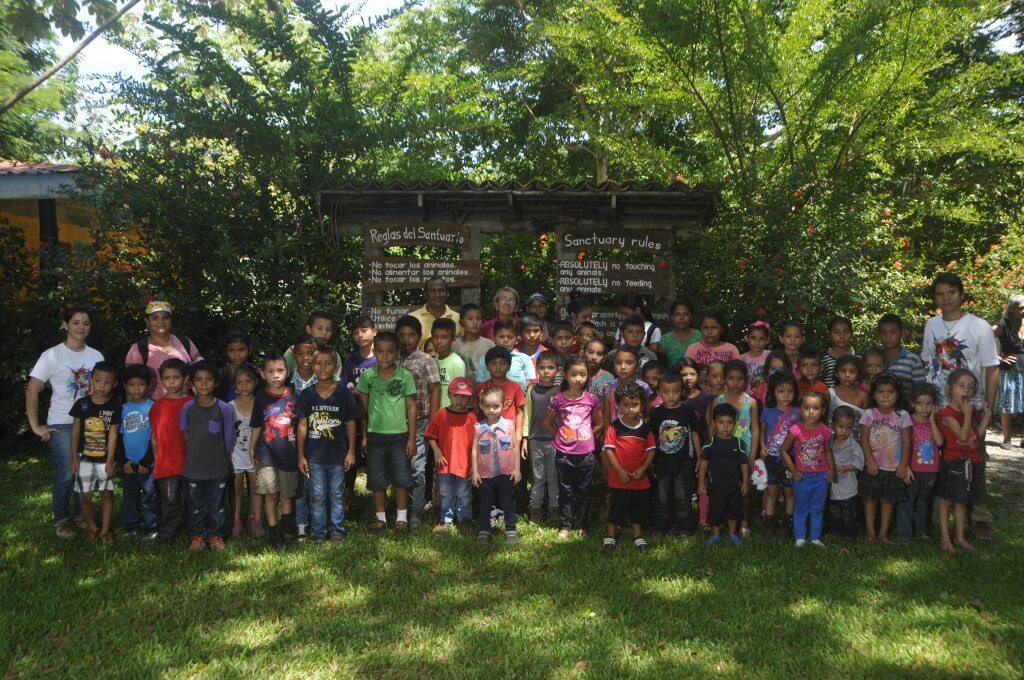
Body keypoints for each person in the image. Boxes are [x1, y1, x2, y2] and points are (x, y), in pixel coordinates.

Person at [921, 272, 999, 541]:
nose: (946, 298)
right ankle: (936, 515)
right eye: (940, 294)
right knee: (939, 460)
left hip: (971, 409)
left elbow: (991, 367)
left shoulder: (979, 326)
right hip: (940, 409)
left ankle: (979, 519)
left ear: (961, 294)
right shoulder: (931, 325)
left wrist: (988, 402)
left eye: (951, 292)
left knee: (974, 460)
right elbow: (928, 363)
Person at [26, 305, 103, 539]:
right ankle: (61, 520)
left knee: (86, 472)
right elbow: (32, 389)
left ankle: (82, 516)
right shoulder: (52, 355)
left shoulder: (96, 356)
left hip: (91, 424)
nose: (81, 327)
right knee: (68, 473)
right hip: (61, 423)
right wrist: (35, 425)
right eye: (76, 322)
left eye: (86, 323)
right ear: (65, 324)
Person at [356, 332, 417, 535]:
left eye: (390, 352)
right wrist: (364, 436)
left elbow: (411, 408)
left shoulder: (405, 376)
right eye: (380, 352)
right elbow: (363, 409)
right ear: (374, 352)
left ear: (397, 353)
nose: (385, 356)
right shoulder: (367, 376)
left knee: (401, 478)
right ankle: (380, 518)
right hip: (375, 436)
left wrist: (411, 438)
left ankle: (401, 518)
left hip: (399, 436)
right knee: (376, 478)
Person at [297, 346, 358, 546]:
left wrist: (350, 451)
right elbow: (303, 425)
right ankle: (318, 532)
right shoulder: (306, 395)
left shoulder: (343, 394)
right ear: (312, 365)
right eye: (318, 363)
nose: (323, 367)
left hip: (338, 456)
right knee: (317, 495)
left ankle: (337, 530)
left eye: (328, 363)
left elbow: (351, 423)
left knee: (337, 494)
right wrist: (300, 456)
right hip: (314, 457)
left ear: (336, 366)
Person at [545, 355, 604, 539]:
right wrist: (559, 438)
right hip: (564, 454)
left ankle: (582, 526)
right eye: (574, 374)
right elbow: (547, 423)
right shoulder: (558, 399)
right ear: (565, 375)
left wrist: (586, 437)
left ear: (587, 376)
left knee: (584, 491)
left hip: (586, 454)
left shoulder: (591, 399)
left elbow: (600, 423)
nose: (578, 379)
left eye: (582, 374)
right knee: (565, 490)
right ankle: (565, 525)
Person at [180, 361, 234, 551]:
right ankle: (198, 535)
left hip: (217, 467)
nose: (204, 384)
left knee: (218, 503)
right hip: (193, 467)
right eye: (199, 380)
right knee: (196, 503)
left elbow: (227, 438)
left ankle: (216, 535)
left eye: (208, 380)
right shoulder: (188, 408)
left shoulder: (224, 408)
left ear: (216, 382)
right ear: (192, 383)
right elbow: (186, 433)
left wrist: (224, 460)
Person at [395, 315, 442, 529]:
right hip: (395, 423)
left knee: (417, 468)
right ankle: (400, 509)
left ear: (419, 337)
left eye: (411, 335)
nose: (407, 340)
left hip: (421, 421)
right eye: (402, 335)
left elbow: (435, 389)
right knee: (398, 468)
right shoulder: (391, 358)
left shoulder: (425, 360)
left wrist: (432, 420)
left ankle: (416, 511)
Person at [937, 369, 991, 552]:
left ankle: (959, 537)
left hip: (969, 460)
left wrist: (987, 418)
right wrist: (968, 415)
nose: (966, 391)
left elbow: (974, 437)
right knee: (947, 501)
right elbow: (962, 435)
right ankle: (945, 538)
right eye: (961, 386)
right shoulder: (947, 414)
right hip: (954, 461)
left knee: (962, 501)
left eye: (971, 387)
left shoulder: (971, 412)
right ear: (950, 388)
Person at [250, 352, 300, 548]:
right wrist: (252, 448)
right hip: (266, 454)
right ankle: (273, 532)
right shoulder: (261, 396)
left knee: (287, 495)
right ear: (263, 375)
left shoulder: (296, 396)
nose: (276, 375)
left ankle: (287, 532)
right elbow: (256, 425)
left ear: (287, 372)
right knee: (271, 495)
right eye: (271, 371)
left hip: (290, 455)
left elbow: (302, 427)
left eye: (280, 370)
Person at [601, 382, 656, 554]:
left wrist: (644, 469)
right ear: (618, 405)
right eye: (626, 405)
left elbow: (651, 450)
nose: (631, 409)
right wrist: (619, 471)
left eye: (635, 404)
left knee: (638, 509)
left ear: (641, 405)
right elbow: (609, 450)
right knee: (617, 508)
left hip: (639, 480)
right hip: (619, 479)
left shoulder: (645, 428)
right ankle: (610, 536)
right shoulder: (614, 427)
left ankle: (637, 535)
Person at [859, 374, 912, 545]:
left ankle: (883, 534)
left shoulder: (903, 415)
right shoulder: (869, 414)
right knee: (870, 499)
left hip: (893, 467)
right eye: (881, 392)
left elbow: (906, 440)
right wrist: (870, 461)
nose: (886, 396)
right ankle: (870, 533)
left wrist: (903, 464)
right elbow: (864, 439)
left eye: (890, 392)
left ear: (898, 395)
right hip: (873, 466)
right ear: (874, 395)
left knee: (888, 501)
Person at [69, 361, 119, 543]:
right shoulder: (81, 404)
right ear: (91, 380)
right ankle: (92, 527)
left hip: (104, 459)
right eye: (98, 380)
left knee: (106, 494)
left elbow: (113, 435)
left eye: (107, 381)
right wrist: (74, 457)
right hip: (84, 459)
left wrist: (110, 461)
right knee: (86, 496)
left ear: (114, 384)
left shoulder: (114, 406)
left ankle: (105, 530)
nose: (102, 385)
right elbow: (75, 432)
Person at [649, 372, 700, 539]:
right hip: (663, 461)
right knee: (662, 497)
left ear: (682, 392)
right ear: (659, 392)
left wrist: (700, 457)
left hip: (684, 461)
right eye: (666, 392)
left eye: (675, 392)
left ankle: (684, 529)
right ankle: (660, 527)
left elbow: (695, 435)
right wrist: (650, 460)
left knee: (683, 496)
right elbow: (652, 438)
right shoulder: (656, 413)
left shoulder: (687, 411)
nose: (671, 396)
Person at [109, 364, 157, 540]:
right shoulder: (122, 409)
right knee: (130, 497)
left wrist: (146, 461)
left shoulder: (154, 407)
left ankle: (151, 527)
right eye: (131, 384)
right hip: (128, 464)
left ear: (149, 385)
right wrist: (123, 461)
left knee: (149, 496)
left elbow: (156, 437)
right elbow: (119, 438)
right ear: (125, 386)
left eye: (141, 384)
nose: (136, 389)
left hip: (148, 464)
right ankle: (131, 526)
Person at [780, 392, 833, 547]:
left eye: (815, 408)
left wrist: (831, 469)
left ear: (822, 411)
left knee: (817, 508)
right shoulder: (795, 430)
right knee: (801, 508)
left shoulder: (825, 430)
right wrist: (794, 470)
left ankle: (815, 538)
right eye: (807, 408)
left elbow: (828, 451)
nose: (811, 412)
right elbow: (784, 451)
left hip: (821, 477)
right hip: (802, 477)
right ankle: (800, 538)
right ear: (800, 410)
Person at [425, 377, 477, 532]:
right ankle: (445, 519)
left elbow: (476, 443)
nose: (460, 400)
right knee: (446, 493)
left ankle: (465, 519)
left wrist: (474, 466)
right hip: (444, 464)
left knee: (464, 493)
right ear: (449, 395)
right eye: (456, 396)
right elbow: (430, 435)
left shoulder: (472, 417)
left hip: (465, 464)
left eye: (464, 397)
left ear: (469, 398)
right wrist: (437, 452)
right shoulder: (441, 414)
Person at [150, 358, 193, 542]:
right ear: (161, 380)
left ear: (185, 379)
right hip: (167, 464)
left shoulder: (192, 403)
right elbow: (155, 438)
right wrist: (157, 461)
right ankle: (168, 534)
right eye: (167, 378)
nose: (172, 382)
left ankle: (196, 531)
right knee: (169, 502)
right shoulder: (157, 406)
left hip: (191, 462)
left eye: (176, 377)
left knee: (193, 500)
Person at [472, 386, 521, 544]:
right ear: (481, 406)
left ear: (503, 405)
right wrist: (475, 472)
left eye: (496, 406)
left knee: (507, 501)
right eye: (487, 406)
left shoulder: (509, 426)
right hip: (485, 473)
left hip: (506, 472)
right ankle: (484, 529)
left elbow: (515, 447)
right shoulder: (478, 428)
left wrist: (517, 469)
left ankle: (511, 529)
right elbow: (474, 450)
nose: (491, 410)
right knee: (485, 502)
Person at [124, 300, 202, 399]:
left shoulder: (185, 342)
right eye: (155, 318)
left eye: (165, 317)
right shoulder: (138, 349)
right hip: (153, 408)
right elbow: (130, 383)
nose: (161, 322)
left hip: (185, 407)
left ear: (171, 321)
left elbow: (201, 371)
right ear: (147, 321)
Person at [897, 382, 944, 545]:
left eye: (928, 404)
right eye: (920, 403)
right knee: (907, 502)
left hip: (931, 470)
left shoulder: (935, 421)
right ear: (912, 403)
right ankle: (904, 534)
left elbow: (939, 442)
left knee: (923, 502)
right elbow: (902, 446)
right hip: (912, 470)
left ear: (934, 405)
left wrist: (932, 420)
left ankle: (922, 531)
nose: (924, 407)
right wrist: (906, 467)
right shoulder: (907, 420)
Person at [698, 403, 749, 546]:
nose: (725, 427)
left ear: (734, 423)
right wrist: (701, 482)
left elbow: (744, 463)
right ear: (714, 423)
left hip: (733, 486)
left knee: (733, 511)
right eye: (721, 423)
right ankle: (716, 534)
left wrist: (745, 482)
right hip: (716, 486)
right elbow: (704, 463)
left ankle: (733, 533)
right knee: (716, 511)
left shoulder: (738, 443)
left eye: (729, 423)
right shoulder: (711, 442)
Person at [341, 315, 376, 511]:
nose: (360, 335)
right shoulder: (351, 360)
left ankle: (379, 503)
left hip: (377, 419)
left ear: (374, 331)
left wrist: (361, 391)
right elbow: (345, 387)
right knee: (350, 459)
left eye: (364, 330)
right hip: (352, 418)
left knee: (376, 460)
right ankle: (347, 496)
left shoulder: (382, 358)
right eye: (355, 333)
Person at [759, 372, 800, 538]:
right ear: (773, 392)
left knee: (790, 491)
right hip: (771, 458)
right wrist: (762, 446)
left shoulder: (798, 412)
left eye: (790, 391)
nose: (785, 395)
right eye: (781, 391)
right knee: (772, 490)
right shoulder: (767, 411)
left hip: (791, 459)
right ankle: (769, 520)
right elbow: (762, 430)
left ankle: (788, 520)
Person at [523, 351, 560, 524]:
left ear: (557, 370)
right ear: (537, 370)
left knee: (553, 477)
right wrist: (525, 438)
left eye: (551, 368)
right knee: (538, 478)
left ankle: (554, 509)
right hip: (535, 439)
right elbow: (527, 416)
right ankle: (536, 510)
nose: (546, 372)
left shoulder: (561, 391)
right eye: (542, 368)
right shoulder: (532, 390)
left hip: (554, 440)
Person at [229, 364, 262, 537]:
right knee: (236, 490)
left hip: (255, 455)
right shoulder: (229, 407)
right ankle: (235, 522)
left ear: (255, 382)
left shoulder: (260, 404)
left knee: (256, 489)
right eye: (240, 382)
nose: (244, 386)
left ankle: (255, 519)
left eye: (248, 381)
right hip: (235, 455)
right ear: (234, 385)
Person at [828, 406, 864, 544]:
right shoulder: (829, 442)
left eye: (848, 428)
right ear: (833, 425)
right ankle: (836, 531)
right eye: (840, 426)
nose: (844, 431)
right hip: (833, 488)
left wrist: (847, 467)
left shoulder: (853, 445)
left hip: (848, 489)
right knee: (834, 512)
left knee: (848, 514)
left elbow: (860, 463)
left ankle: (849, 535)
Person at [994, 294, 1024, 449]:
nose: (1023, 311)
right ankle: (1007, 439)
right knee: (1007, 404)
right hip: (1010, 369)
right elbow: (985, 337)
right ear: (1012, 309)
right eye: (1020, 308)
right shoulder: (1004, 324)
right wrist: (998, 357)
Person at [595, 347, 653, 426]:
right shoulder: (608, 386)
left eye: (629, 363)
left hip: (636, 432)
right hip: (614, 433)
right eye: (618, 363)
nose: (623, 367)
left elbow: (647, 413)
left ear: (637, 366)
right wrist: (607, 433)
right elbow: (606, 414)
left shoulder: (643, 387)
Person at [476, 318, 536, 393]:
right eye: (501, 336)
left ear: (517, 339)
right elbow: (480, 385)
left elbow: (529, 384)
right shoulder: (484, 359)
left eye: (510, 337)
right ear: (493, 338)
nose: (505, 340)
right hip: (491, 403)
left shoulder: (524, 359)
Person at [684, 310, 739, 389]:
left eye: (714, 328)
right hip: (699, 397)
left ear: (722, 329)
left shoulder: (731, 349)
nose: (709, 332)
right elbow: (686, 375)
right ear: (700, 330)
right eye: (705, 328)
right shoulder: (693, 349)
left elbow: (737, 375)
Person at [284, 310, 341, 379]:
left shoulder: (334, 356)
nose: (324, 332)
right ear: (309, 329)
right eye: (319, 328)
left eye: (328, 329)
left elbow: (335, 383)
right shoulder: (293, 351)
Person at [877, 314, 926, 392]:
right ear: (879, 335)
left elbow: (921, 391)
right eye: (884, 333)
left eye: (893, 332)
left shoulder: (913, 360)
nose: (888, 337)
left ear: (902, 333)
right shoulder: (875, 358)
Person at [410, 276, 462, 348]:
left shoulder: (459, 319)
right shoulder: (412, 319)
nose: (437, 295)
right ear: (425, 294)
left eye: (441, 291)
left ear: (447, 294)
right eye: (432, 291)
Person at [432, 318, 467, 408]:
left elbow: (460, 392)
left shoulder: (457, 363)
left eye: (444, 337)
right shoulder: (433, 361)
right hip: (435, 412)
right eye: (436, 337)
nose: (439, 341)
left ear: (453, 340)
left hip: (450, 411)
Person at [217, 331, 258, 402]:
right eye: (232, 350)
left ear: (249, 350)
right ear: (227, 352)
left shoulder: (257, 373)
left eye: (241, 350)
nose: (237, 354)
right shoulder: (220, 374)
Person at [661, 299, 703, 369]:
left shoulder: (701, 336)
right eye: (677, 314)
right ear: (672, 317)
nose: (681, 318)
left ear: (692, 316)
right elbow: (662, 367)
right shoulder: (665, 340)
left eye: (686, 314)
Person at [453, 303, 494, 370]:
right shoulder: (454, 344)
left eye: (478, 319)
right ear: (461, 323)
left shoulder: (489, 345)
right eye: (470, 319)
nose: (475, 322)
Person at [829, 354, 868, 422]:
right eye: (843, 371)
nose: (847, 375)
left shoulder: (863, 396)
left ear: (858, 374)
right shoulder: (829, 393)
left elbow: (866, 422)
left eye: (852, 372)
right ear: (836, 373)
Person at [740, 321, 770, 404]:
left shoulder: (770, 356)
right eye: (753, 338)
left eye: (761, 338)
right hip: (746, 400)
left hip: (766, 399)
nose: (757, 342)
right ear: (747, 338)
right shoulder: (742, 358)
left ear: (767, 340)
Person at [819, 316, 854, 388]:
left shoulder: (858, 357)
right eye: (836, 332)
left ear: (851, 334)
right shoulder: (823, 359)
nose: (841, 336)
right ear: (829, 335)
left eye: (846, 332)